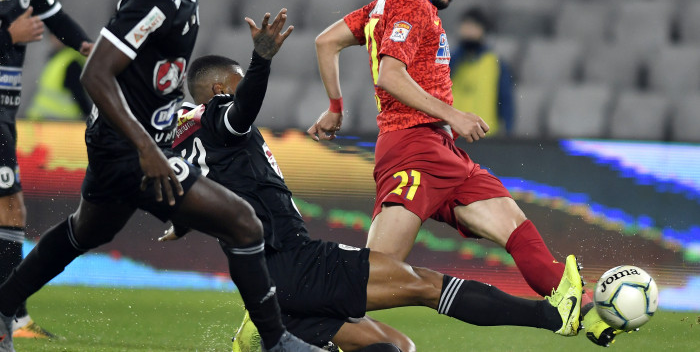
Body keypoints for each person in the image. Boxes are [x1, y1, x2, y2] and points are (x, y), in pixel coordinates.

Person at [0, 0, 322, 352]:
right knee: (245, 224)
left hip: (123, 143)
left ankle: (3, 305)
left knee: (85, 230)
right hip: (128, 147)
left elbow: (150, 82)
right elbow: (95, 74)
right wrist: (150, 151)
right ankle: (277, 342)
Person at [306, 0, 618, 347]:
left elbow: (325, 41)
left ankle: (572, 307)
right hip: (412, 150)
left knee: (513, 225)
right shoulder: (407, 2)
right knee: (374, 277)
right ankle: (292, 311)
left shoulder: (388, 5)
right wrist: (454, 114)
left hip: (441, 151)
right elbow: (390, 75)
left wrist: (335, 106)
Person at [164, 50, 584, 352]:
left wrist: (180, 222)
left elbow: (194, 190)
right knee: (424, 285)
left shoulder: (184, 138)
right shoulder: (220, 113)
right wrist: (263, 58)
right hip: (296, 263)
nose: (239, 95)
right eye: (233, 87)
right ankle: (550, 316)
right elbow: (241, 110)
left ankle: (260, 337)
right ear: (219, 90)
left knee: (397, 347)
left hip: (268, 282)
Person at [0, 0, 93, 339]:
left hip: (6, 111)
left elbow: (59, 21)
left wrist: (98, 48)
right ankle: (12, 317)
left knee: (10, 211)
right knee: (11, 211)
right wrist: (8, 37)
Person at [449, 6, 513, 136]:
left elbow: (505, 98)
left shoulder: (495, 63)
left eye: (473, 26)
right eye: (465, 26)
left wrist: (508, 130)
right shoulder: (451, 60)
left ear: (483, 30)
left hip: (486, 135)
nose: (468, 31)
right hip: (453, 133)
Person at [27, 33, 93, 120]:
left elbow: (79, 96)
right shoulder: (57, 58)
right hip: (50, 121)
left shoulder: (69, 62)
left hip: (56, 122)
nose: (53, 39)